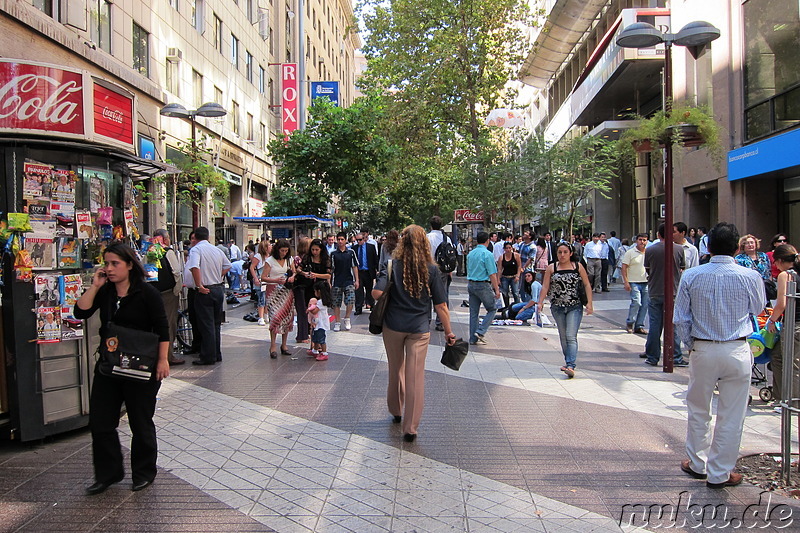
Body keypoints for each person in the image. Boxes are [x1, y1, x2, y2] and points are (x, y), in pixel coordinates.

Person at [674, 222, 765, 489]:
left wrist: (692, 344)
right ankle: (720, 472)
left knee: (699, 408)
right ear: (737, 247)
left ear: (708, 246)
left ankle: (698, 463)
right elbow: (758, 306)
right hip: (736, 347)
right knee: (732, 413)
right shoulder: (750, 276)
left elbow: (680, 318)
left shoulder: (692, 275)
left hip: (703, 347)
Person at [75, 242, 170, 494]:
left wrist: (163, 360)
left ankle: (143, 472)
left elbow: (162, 328)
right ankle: (108, 474)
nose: (109, 268)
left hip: (142, 366)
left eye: (115, 263)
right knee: (101, 421)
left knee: (140, 421)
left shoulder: (146, 293)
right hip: (110, 365)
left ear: (130, 265)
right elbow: (80, 312)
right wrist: (95, 285)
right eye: (106, 263)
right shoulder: (105, 292)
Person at [372, 225, 456, 442]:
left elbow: (376, 293)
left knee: (395, 369)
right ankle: (410, 428)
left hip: (392, 326)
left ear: (402, 243)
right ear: (423, 243)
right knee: (415, 376)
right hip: (419, 329)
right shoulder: (431, 269)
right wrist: (449, 332)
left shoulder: (392, 265)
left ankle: (396, 411)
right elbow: (441, 306)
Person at [537, 243, 593, 378]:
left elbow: (586, 284)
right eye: (560, 252)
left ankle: (570, 365)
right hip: (557, 307)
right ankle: (568, 361)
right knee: (563, 336)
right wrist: (540, 302)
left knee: (570, 336)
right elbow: (545, 286)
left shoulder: (578, 267)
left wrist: (589, 303)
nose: (562, 255)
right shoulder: (552, 268)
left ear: (571, 253)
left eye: (565, 252)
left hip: (575, 306)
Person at [643, 224, 688, 367]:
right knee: (673, 325)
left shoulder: (650, 250)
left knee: (655, 325)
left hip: (654, 290)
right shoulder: (679, 249)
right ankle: (675, 356)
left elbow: (648, 269)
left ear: (658, 234)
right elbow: (682, 268)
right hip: (673, 292)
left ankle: (652, 356)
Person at [186, 227, 231, 366]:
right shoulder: (216, 249)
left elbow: (194, 267)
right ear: (208, 237)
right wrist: (218, 275)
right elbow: (227, 265)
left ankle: (208, 356)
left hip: (206, 290)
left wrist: (199, 285)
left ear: (196, 237)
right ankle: (216, 353)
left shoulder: (196, 250)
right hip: (217, 288)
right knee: (216, 323)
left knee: (206, 324)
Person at [765, 244, 800, 411]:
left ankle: (792, 402)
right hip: (793, 324)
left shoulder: (785, 275)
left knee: (791, 363)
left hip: (793, 324)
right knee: (778, 356)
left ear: (779, 260)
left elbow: (781, 304)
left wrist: (771, 320)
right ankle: (781, 397)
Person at [151, 229, 184, 365]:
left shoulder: (149, 251)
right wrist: (178, 290)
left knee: (154, 324)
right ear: (164, 239)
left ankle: (154, 354)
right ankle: (168, 355)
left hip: (153, 292)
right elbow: (176, 271)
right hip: (167, 293)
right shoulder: (168, 252)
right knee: (169, 324)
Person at [261, 239, 296, 358]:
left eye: (286, 251)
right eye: (282, 251)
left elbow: (294, 272)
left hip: (286, 291)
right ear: (277, 250)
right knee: (275, 318)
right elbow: (263, 277)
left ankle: (284, 344)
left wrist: (292, 277)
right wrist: (276, 280)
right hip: (273, 291)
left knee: (286, 317)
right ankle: (273, 345)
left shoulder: (289, 259)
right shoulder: (270, 261)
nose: (284, 253)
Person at [466, 231, 500, 345]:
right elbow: (492, 274)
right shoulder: (487, 254)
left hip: (471, 283)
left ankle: (472, 338)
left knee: (474, 312)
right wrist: (496, 289)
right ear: (488, 241)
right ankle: (480, 331)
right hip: (483, 284)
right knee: (492, 308)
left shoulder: (471, 254)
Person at [426, 216, 453, 330]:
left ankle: (426, 319)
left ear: (431, 225)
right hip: (442, 269)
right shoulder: (446, 239)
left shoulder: (426, 237)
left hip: (428, 268)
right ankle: (441, 321)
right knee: (442, 294)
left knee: (426, 295)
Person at [330, 232, 359, 331]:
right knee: (336, 302)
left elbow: (354, 266)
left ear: (346, 240)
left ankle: (347, 318)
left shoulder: (351, 252)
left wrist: (357, 280)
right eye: (338, 239)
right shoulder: (333, 254)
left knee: (351, 300)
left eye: (342, 239)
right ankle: (337, 321)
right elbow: (331, 269)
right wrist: (329, 282)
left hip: (349, 280)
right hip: (337, 281)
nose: (340, 241)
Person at [622, 234, 649, 335]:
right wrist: (626, 281)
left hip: (646, 282)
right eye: (640, 240)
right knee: (636, 302)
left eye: (644, 240)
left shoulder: (648, 252)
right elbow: (624, 267)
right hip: (633, 281)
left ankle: (639, 325)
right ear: (636, 241)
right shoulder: (630, 252)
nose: (642, 242)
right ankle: (630, 322)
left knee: (645, 304)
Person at [353, 229, 379, 315]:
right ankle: (358, 307)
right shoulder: (354, 248)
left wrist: (377, 270)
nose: (358, 242)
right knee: (358, 290)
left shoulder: (370, 247)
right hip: (359, 272)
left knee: (369, 290)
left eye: (360, 240)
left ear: (364, 239)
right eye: (357, 240)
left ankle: (372, 305)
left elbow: (375, 259)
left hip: (368, 272)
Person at [306, 280, 332, 361]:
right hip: (318, 323)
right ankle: (315, 350)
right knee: (315, 338)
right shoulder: (322, 301)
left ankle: (324, 353)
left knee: (321, 339)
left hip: (321, 324)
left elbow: (315, 311)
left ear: (319, 291)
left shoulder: (321, 302)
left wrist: (309, 308)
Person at [293, 237, 311, 344]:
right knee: (302, 311)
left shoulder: (310, 258)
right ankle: (302, 335)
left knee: (308, 310)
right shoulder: (298, 259)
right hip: (300, 287)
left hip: (308, 287)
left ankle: (307, 333)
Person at [249, 240, 271, 326]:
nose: (271, 247)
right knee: (261, 298)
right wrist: (255, 278)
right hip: (260, 279)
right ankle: (261, 317)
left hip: (267, 279)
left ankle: (266, 315)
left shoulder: (269, 256)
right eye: (269, 245)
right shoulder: (258, 256)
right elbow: (252, 267)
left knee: (267, 298)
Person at [497, 241, 521, 316]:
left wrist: (517, 275)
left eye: (509, 248)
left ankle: (517, 307)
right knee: (505, 293)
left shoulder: (516, 256)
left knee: (515, 293)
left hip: (514, 276)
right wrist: (498, 279)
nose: (508, 250)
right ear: (504, 249)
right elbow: (500, 269)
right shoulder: (501, 257)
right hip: (505, 277)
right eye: (506, 248)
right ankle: (506, 308)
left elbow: (519, 266)